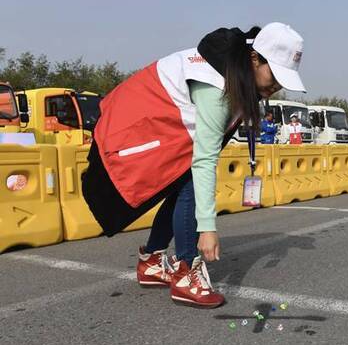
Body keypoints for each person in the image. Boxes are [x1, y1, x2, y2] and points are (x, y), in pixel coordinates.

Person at [82, 23, 306, 307]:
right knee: (188, 182)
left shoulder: (235, 71)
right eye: (274, 75)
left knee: (179, 184)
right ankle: (187, 271)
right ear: (254, 59)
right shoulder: (216, 84)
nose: (277, 86)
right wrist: (208, 229)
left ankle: (152, 261)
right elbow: (204, 160)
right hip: (132, 126)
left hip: (158, 125)